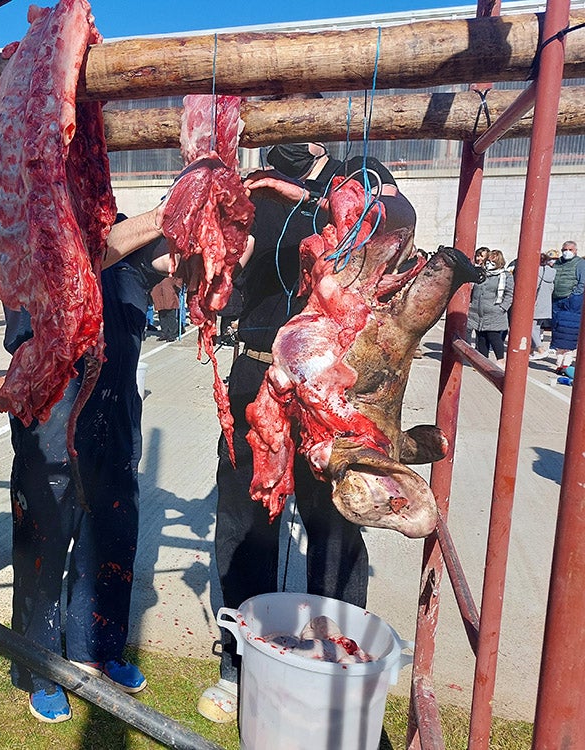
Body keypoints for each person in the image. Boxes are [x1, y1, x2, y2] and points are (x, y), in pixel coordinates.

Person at [198, 142, 417, 724]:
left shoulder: (359, 172)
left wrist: (317, 199)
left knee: (335, 525)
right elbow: (222, 272)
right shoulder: (249, 186)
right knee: (245, 522)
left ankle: (333, 658)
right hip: (257, 372)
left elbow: (402, 224)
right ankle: (238, 662)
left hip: (329, 380)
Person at [4, 208, 168, 723]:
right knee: (45, 541)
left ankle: (97, 646)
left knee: (113, 535)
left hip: (115, 416)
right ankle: (38, 665)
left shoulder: (127, 234)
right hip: (52, 410)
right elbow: (81, 258)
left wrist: (209, 211)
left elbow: (175, 258)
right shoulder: (37, 229)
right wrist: (167, 211)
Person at [468, 249, 514, 366]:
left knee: (493, 336)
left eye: (492, 261)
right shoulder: (482, 273)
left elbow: (509, 294)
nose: (489, 263)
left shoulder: (505, 275)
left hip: (495, 311)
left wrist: (502, 308)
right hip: (478, 311)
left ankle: (500, 360)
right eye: (488, 261)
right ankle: (483, 362)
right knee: (481, 337)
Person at [551, 240, 584, 374]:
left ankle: (566, 362)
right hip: (557, 299)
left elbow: (582, 282)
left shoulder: (580, 263)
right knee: (557, 329)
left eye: (570, 249)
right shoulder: (557, 263)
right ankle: (559, 362)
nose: (567, 252)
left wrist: (574, 294)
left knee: (569, 330)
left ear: (575, 251)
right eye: (565, 249)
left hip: (571, 300)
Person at [530, 250, 558, 360]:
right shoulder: (552, 272)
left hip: (535, 303)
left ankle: (540, 349)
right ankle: (531, 351)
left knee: (531, 327)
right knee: (536, 327)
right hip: (546, 303)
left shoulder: (536, 272)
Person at [151, 274, 183, 340]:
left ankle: (172, 334)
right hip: (159, 294)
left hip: (169, 295)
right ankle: (164, 333)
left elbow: (178, 280)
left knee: (170, 315)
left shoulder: (171, 271)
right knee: (162, 315)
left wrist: (177, 288)